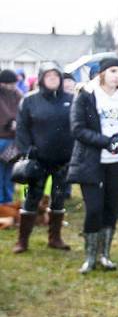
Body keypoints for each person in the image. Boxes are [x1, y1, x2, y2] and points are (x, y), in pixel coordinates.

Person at [67, 58, 118, 273]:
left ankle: (105, 255)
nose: (117, 75)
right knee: (94, 208)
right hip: (91, 161)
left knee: (111, 208)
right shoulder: (86, 95)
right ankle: (89, 257)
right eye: (113, 71)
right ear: (102, 73)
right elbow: (77, 129)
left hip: (117, 162)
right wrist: (106, 141)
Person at [12, 62, 75, 254]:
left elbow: (78, 125)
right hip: (38, 160)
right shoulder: (30, 100)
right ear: (41, 79)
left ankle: (55, 238)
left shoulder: (72, 99)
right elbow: (22, 129)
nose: (53, 80)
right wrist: (27, 152)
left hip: (63, 160)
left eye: (56, 76)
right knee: (31, 199)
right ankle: (22, 241)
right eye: (48, 76)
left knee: (58, 199)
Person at [0, 69, 22, 204]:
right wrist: (8, 122)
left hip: (13, 140)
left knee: (9, 172)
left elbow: (24, 112)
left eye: (15, 84)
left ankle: (7, 200)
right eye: (10, 84)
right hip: (2, 138)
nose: (13, 87)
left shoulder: (18, 94)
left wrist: (17, 123)